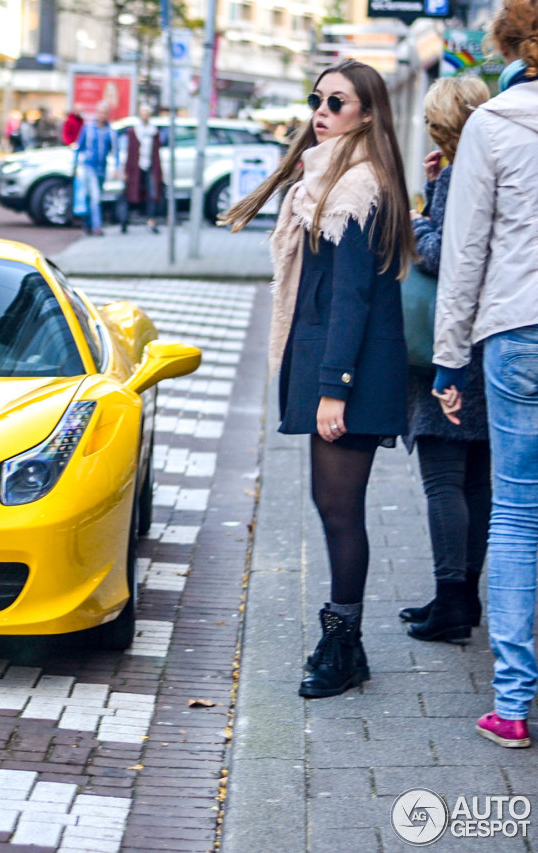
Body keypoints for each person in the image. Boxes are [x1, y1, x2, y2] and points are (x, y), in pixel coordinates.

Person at [226, 59, 416, 699]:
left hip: (348, 371)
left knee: (340, 509)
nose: (322, 111)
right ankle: (344, 639)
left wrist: (334, 386)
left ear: (366, 114)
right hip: (330, 363)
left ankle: (344, 644)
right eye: (318, 99)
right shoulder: (329, 177)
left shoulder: (359, 188)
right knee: (330, 505)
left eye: (338, 103)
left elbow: (352, 297)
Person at [434, 0, 538, 749]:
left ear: (505, 46)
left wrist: (448, 358)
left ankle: (513, 705)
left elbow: (464, 252)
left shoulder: (493, 126)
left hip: (515, 333)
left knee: (517, 513)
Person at [399, 76, 492, 646]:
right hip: (490, 339)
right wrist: (434, 193)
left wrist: (415, 220)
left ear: (441, 127)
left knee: (442, 480)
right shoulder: (486, 172)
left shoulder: (464, 175)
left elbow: (446, 255)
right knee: (476, 479)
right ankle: (461, 596)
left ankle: (453, 600)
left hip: (451, 343)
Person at [118, 104, 164, 233]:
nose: (144, 116)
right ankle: (124, 220)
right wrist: (126, 170)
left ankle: (151, 221)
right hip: (135, 168)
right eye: (142, 113)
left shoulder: (153, 132)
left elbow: (156, 153)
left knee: (152, 193)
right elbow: (129, 152)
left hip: (149, 166)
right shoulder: (133, 131)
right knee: (129, 193)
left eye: (147, 113)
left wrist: (159, 171)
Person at [74, 106, 115, 236]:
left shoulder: (110, 131)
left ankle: (87, 224)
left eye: (105, 112)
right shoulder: (88, 128)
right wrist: (75, 167)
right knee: (94, 197)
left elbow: (115, 151)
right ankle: (97, 226)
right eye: (101, 112)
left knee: (93, 197)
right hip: (89, 166)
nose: (102, 115)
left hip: (102, 168)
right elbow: (79, 147)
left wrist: (117, 167)